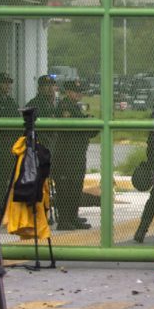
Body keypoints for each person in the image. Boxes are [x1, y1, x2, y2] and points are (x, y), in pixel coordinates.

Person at [50, 79, 97, 230]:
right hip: (65, 156)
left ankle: (73, 216)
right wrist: (86, 122)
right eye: (76, 92)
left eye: (80, 92)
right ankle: (64, 220)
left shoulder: (75, 107)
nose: (79, 94)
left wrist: (88, 122)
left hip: (76, 155)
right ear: (68, 92)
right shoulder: (65, 107)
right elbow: (73, 127)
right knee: (65, 188)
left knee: (76, 186)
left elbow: (86, 130)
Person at [0, 73, 19, 209]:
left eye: (9, 83)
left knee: (8, 178)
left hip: (10, 145)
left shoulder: (10, 101)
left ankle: (6, 207)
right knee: (0, 177)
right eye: (5, 83)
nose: (8, 86)